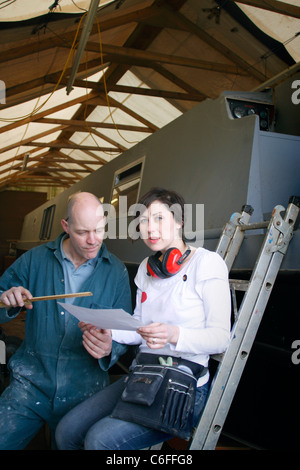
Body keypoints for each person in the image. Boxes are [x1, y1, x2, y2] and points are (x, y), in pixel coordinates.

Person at [55, 187, 231, 451]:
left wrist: (173, 334)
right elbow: (139, 327)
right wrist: (109, 331)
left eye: (159, 218)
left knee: (98, 441)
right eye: (144, 221)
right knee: (66, 431)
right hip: (145, 375)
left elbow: (221, 339)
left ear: (180, 221)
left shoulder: (207, 263)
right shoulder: (146, 272)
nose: (150, 228)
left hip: (184, 385)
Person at [0, 192, 132, 450]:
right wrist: (6, 300)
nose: (93, 240)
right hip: (30, 383)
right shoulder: (34, 260)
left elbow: (123, 330)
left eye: (99, 230)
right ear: (66, 226)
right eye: (83, 232)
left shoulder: (116, 271)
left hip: (85, 390)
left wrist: (110, 347)